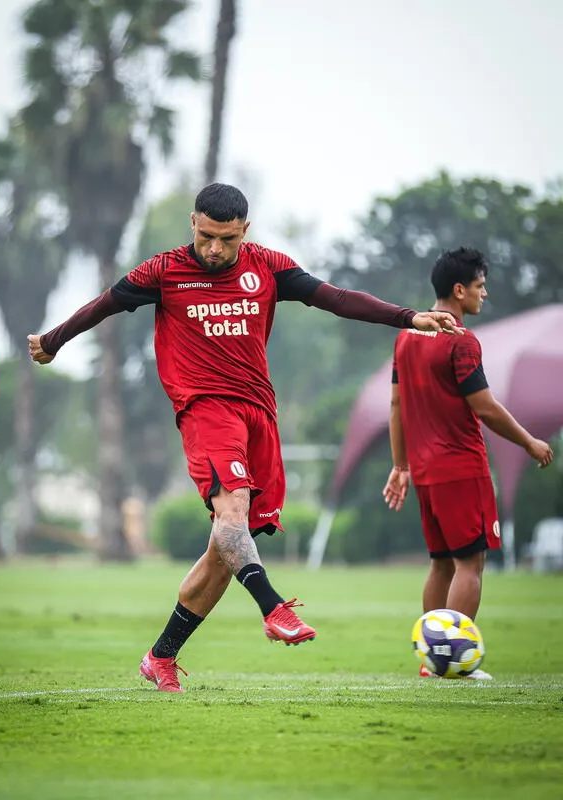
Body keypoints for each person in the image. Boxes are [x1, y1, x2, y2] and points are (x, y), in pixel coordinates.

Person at [29, 183, 461, 692]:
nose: (215, 249)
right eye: (207, 236)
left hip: (259, 414)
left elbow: (337, 299)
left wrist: (409, 317)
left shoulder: (269, 266)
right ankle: (273, 607)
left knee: (227, 546)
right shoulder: (164, 272)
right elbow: (104, 304)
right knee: (232, 518)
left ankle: (161, 656)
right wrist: (53, 341)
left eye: (227, 239)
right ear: (193, 223)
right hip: (205, 411)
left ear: (245, 231)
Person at [382, 247, 554, 680]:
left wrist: (401, 465)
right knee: (470, 564)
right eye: (480, 285)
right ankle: (452, 662)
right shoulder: (461, 339)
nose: (485, 293)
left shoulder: (407, 335)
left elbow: (396, 403)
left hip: (424, 470)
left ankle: (431, 663)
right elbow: (486, 407)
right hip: (461, 467)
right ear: (459, 291)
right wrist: (530, 442)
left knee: (441, 563)